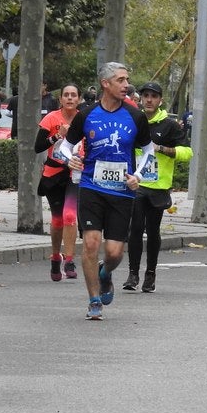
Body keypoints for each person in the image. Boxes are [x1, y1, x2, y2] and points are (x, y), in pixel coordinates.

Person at [57, 62, 154, 320]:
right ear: (105, 84)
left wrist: (139, 175)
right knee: (90, 243)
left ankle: (105, 273)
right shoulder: (86, 114)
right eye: (121, 80)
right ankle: (94, 300)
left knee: (114, 253)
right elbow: (65, 146)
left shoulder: (135, 116)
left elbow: (148, 152)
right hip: (91, 187)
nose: (126, 85)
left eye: (127, 80)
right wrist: (70, 159)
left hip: (122, 193)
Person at [123, 81, 192, 293]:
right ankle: (132, 273)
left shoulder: (169, 125)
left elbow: (187, 153)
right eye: (145, 96)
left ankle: (150, 273)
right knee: (135, 229)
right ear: (141, 99)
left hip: (159, 186)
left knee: (152, 231)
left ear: (160, 100)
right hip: (137, 184)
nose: (149, 100)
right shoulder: (134, 120)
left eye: (153, 96)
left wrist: (160, 148)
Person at [35, 83, 83, 281]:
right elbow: (37, 147)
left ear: (79, 99)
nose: (70, 98)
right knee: (57, 220)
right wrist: (58, 135)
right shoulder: (51, 118)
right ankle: (56, 257)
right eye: (66, 95)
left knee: (70, 216)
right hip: (53, 174)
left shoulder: (84, 119)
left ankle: (69, 260)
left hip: (75, 174)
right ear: (61, 99)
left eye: (73, 95)